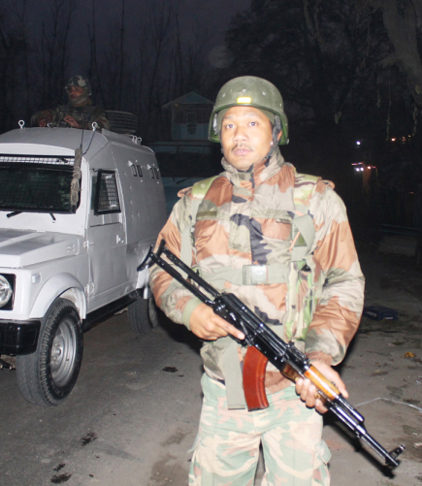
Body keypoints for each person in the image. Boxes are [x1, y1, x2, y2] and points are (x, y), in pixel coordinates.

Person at [149, 76, 365, 485]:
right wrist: (189, 310)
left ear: (275, 131)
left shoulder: (316, 200)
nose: (239, 135)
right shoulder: (195, 202)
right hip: (223, 392)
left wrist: (320, 357)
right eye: (229, 124)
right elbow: (162, 267)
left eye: (252, 123)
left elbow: (344, 282)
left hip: (295, 391)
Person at [31, 75, 110, 130]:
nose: (72, 92)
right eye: (70, 90)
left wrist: (81, 126)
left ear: (86, 91)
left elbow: (105, 126)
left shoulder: (95, 112)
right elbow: (36, 116)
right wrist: (43, 119)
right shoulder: (61, 111)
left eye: (77, 89)